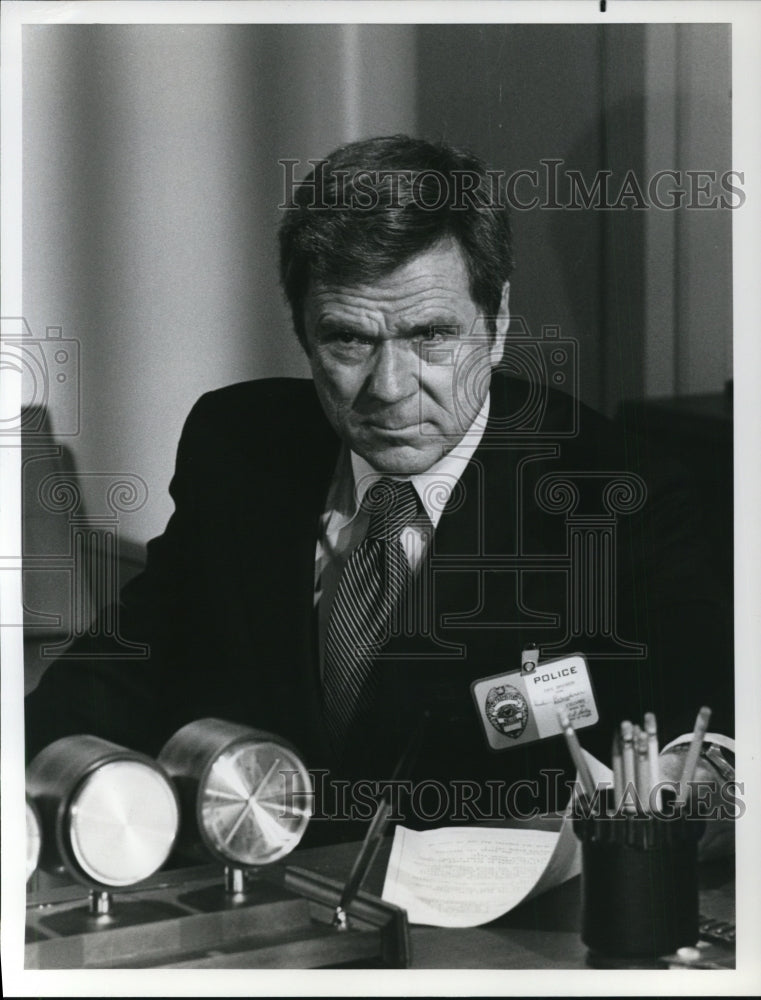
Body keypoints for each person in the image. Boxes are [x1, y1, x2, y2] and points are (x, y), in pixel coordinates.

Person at [25, 135, 732, 839]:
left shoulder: (614, 488)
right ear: (302, 331)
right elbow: (119, 670)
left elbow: (703, 716)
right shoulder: (236, 443)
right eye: (348, 341)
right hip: (257, 895)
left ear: (497, 322)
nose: (389, 390)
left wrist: (685, 779)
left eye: (429, 337)